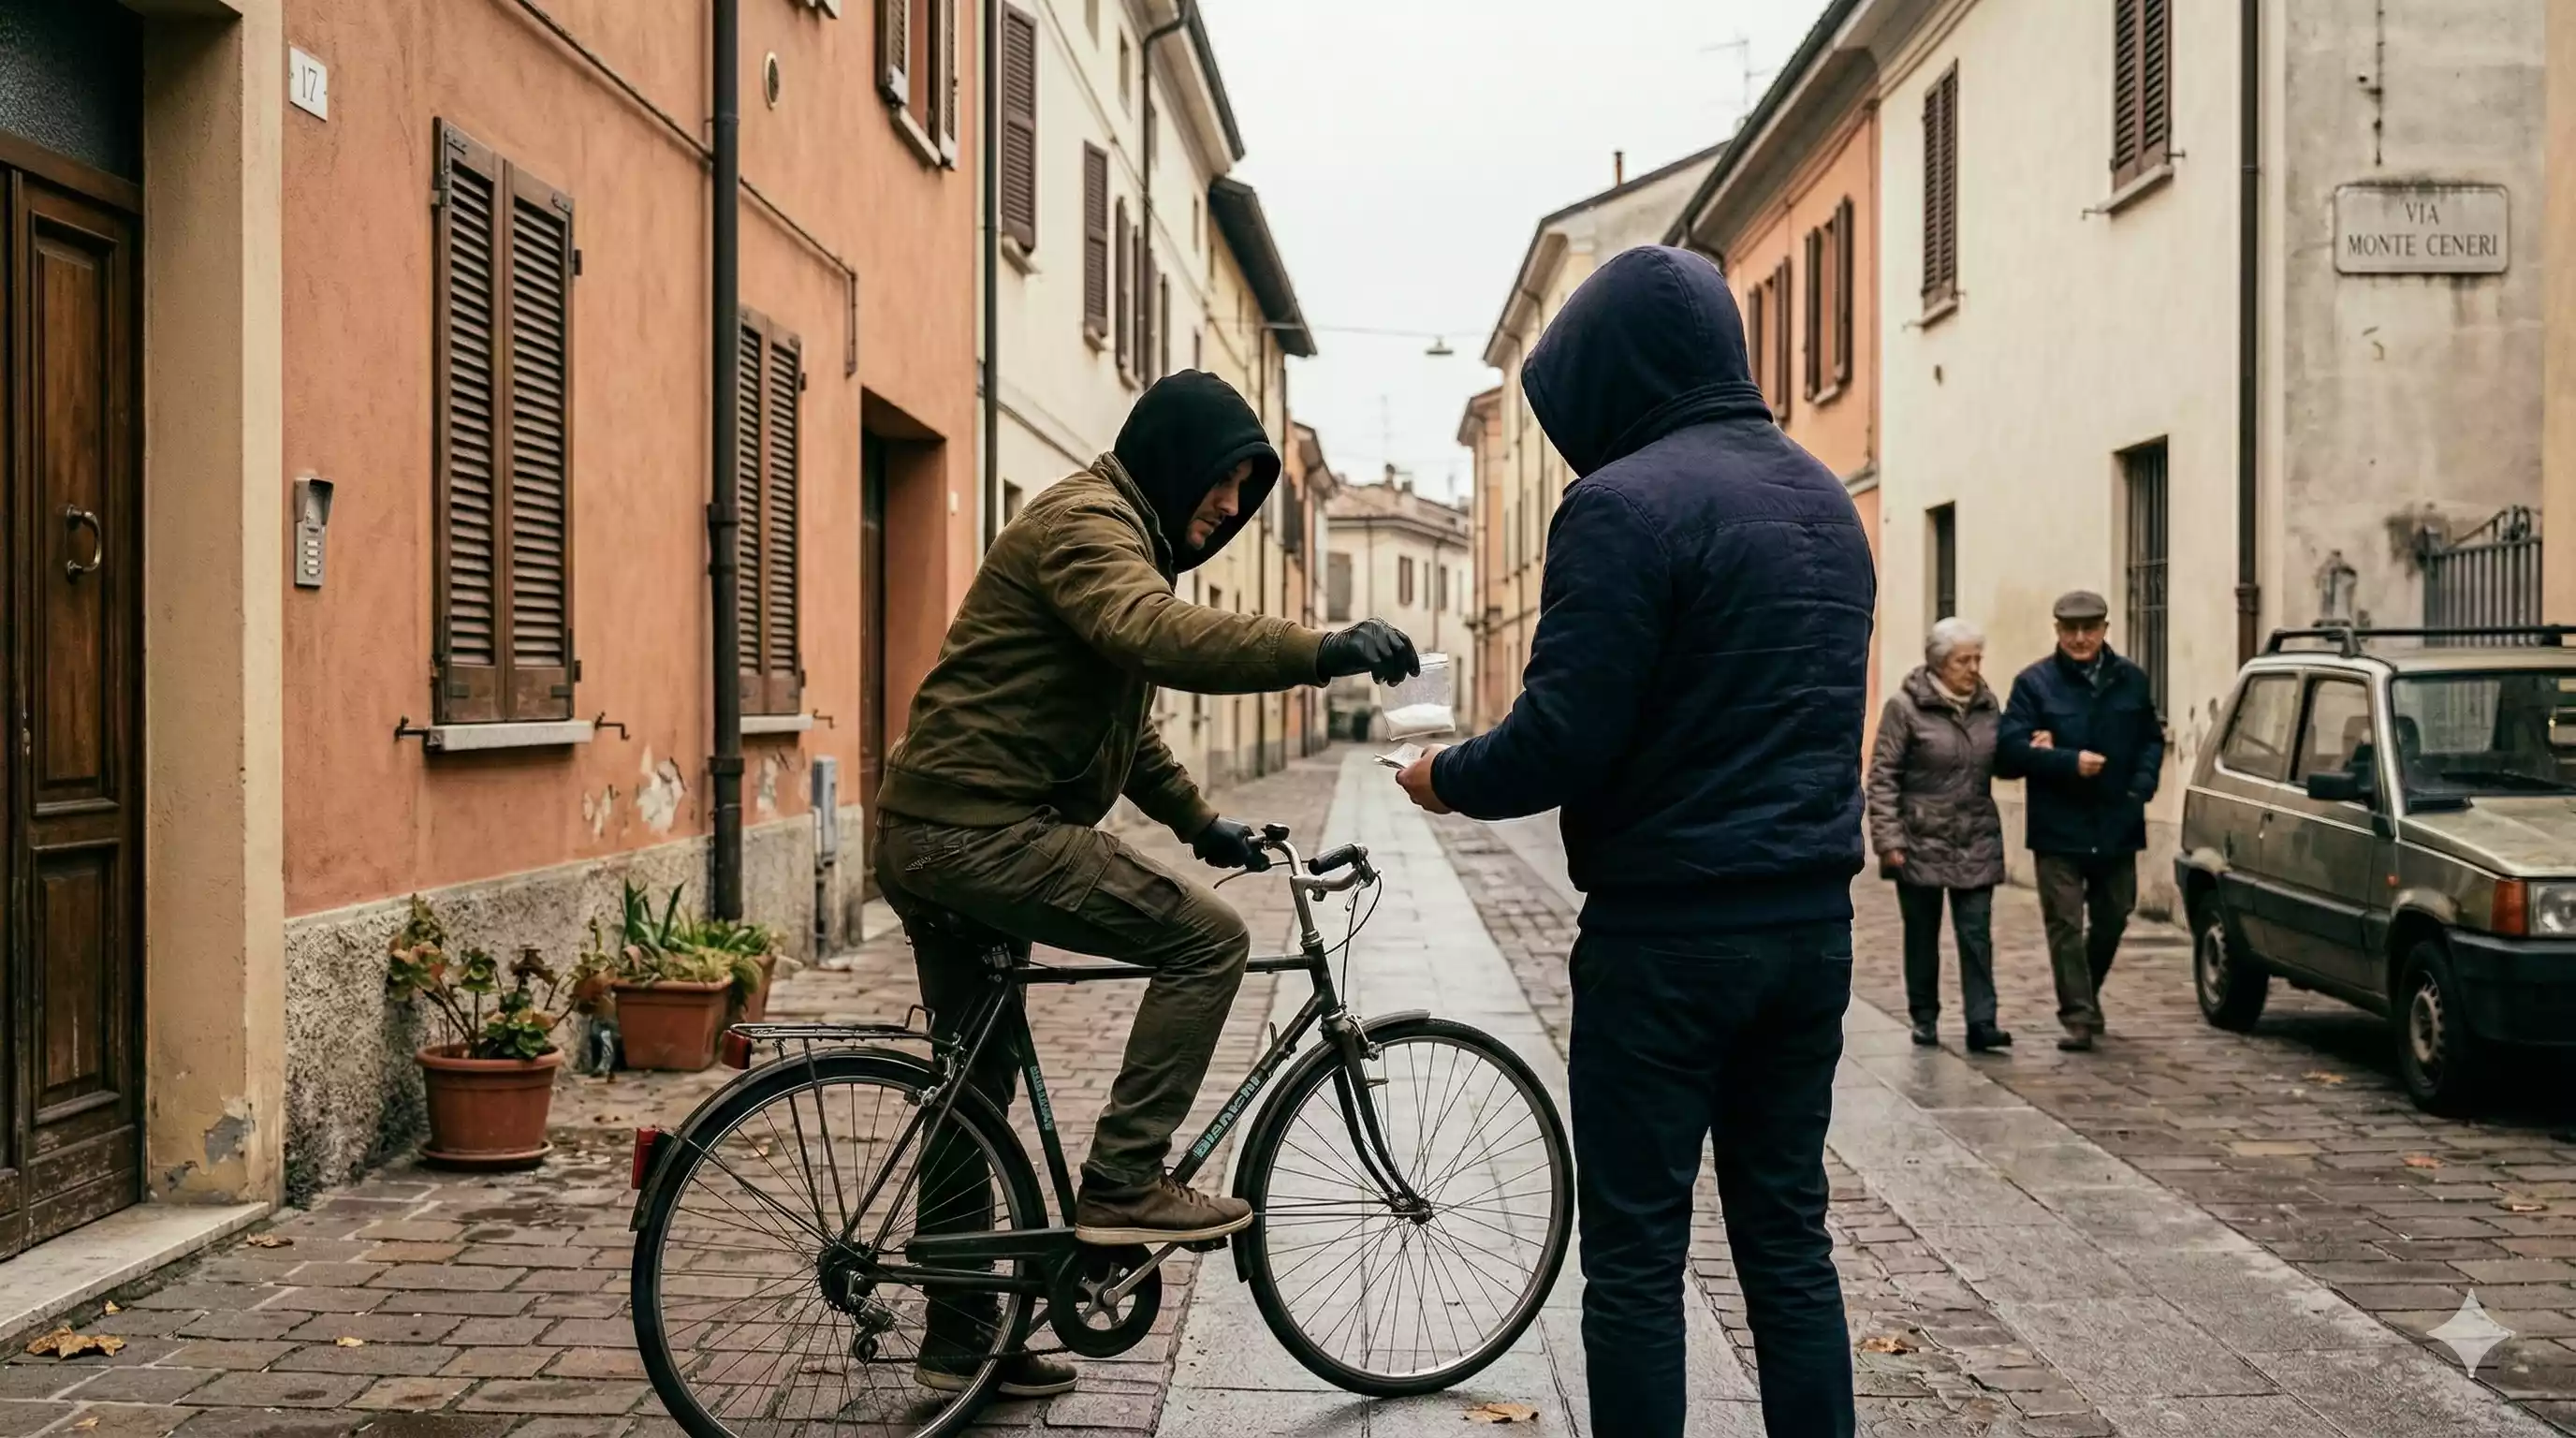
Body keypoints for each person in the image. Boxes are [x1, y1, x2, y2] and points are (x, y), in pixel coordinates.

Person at [1394, 245, 1873, 1438]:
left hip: (1664, 941)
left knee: (1638, 1258)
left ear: (1612, 374)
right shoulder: (1824, 499)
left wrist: (1441, 775)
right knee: (1785, 1236)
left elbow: (1563, 737)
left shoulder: (1618, 506)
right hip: (1810, 934)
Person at [874, 370, 1419, 1397]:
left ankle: (959, 1339)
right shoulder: (1087, 525)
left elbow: (1128, 716)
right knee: (1205, 940)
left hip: (935, 829)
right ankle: (1125, 1183)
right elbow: (1153, 634)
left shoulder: (1118, 533)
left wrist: (1198, 821)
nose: (1230, 507)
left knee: (972, 1088)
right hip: (981, 832)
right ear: (1173, 456)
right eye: (1224, 483)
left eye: (1251, 493)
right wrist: (1321, 649)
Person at [1994, 590, 2163, 1053]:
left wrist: (2140, 788)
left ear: (2105, 630)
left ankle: (2084, 994)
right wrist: (2066, 762)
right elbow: (2007, 752)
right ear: (2058, 631)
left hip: (2117, 820)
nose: (2081, 638)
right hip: (2059, 827)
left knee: (2114, 915)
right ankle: (2079, 1016)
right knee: (2065, 924)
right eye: (2071, 630)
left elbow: (2152, 738)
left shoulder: (2131, 679)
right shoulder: (2034, 684)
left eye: (2090, 629)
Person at [1868, 618, 2010, 1053]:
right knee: (1922, 935)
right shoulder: (1904, 708)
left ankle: (1982, 1022)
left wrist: (2029, 747)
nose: (1972, 668)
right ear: (1938, 663)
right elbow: (1883, 776)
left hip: (1975, 835)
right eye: (1962, 660)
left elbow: (2000, 762)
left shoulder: (1988, 705)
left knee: (1976, 935)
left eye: (1977, 659)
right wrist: (1889, 840)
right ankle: (1924, 1016)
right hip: (1920, 838)